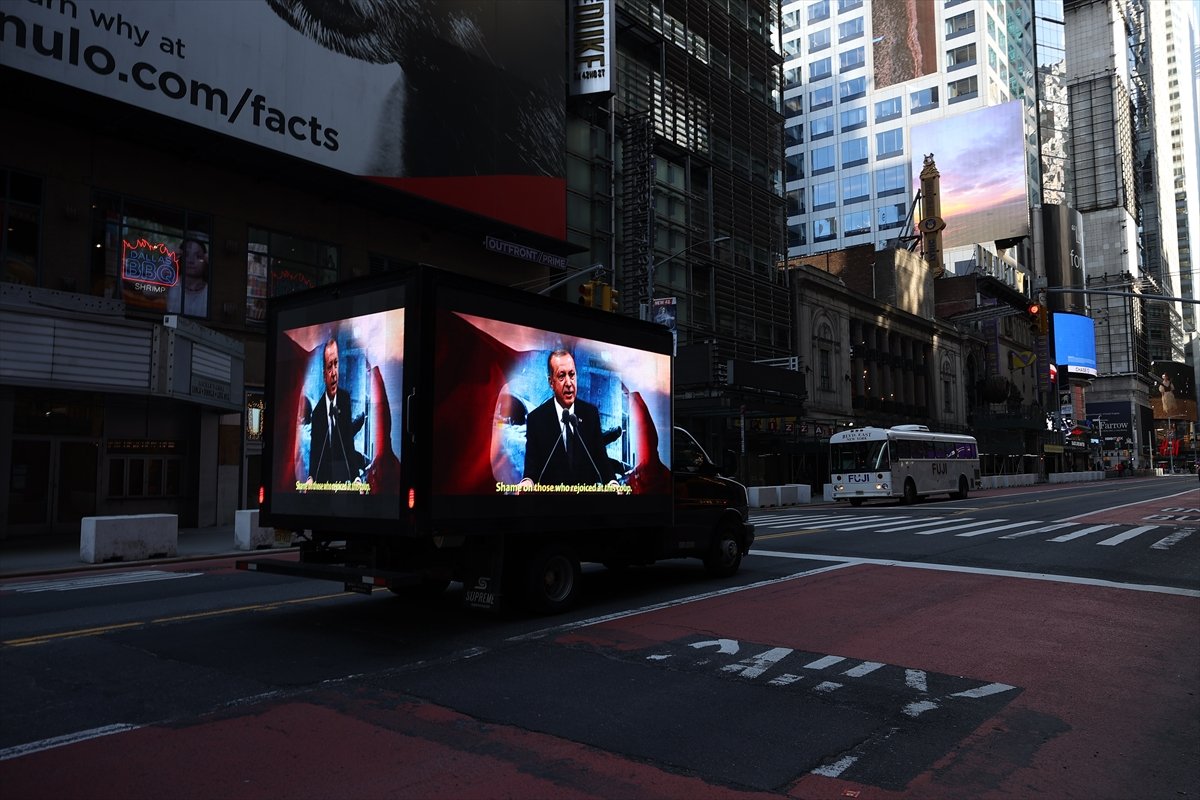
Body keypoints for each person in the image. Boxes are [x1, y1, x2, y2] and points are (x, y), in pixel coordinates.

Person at [519, 349, 613, 488]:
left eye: (572, 375)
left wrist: (612, 482)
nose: (569, 383)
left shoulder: (590, 414)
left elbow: (601, 460)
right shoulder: (536, 420)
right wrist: (527, 482)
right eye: (562, 376)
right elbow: (532, 471)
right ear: (551, 382)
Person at [308, 338, 366, 482]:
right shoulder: (317, 414)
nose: (334, 373)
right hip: (324, 482)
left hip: (342, 475)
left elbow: (347, 440)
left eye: (336, 364)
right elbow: (315, 453)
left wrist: (356, 478)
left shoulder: (344, 399)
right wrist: (311, 477)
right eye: (329, 367)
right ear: (323, 374)